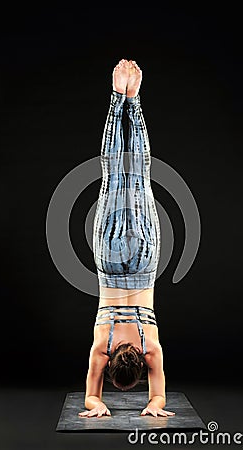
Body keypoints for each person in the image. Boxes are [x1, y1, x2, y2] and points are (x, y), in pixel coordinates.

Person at [78, 59, 175, 418]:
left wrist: (154, 404)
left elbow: (158, 396)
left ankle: (131, 99)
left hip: (145, 263)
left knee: (139, 173)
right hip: (108, 261)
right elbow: (91, 394)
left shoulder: (151, 349)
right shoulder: (100, 349)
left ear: (140, 366)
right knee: (112, 172)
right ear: (111, 363)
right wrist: (97, 402)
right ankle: (119, 98)